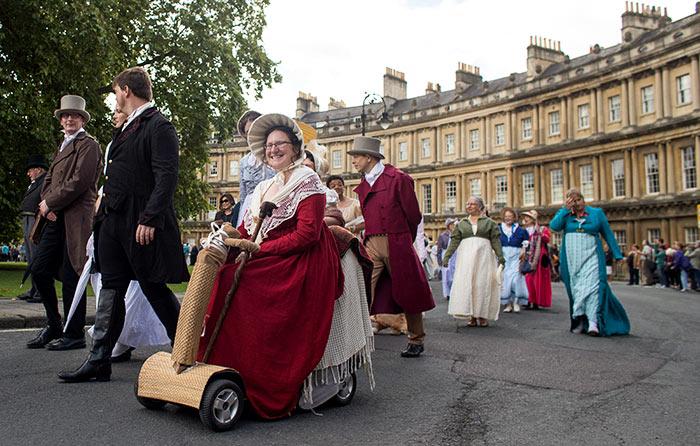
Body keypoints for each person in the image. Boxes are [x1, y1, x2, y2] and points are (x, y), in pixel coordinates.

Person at [196, 113, 342, 419]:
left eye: (281, 144)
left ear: (295, 147)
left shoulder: (308, 180)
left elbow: (307, 234)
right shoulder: (266, 187)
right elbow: (251, 231)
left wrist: (260, 250)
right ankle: (220, 366)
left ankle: (261, 379)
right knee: (223, 276)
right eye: (270, 145)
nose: (274, 149)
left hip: (303, 259)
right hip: (270, 252)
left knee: (246, 285)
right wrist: (228, 242)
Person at [58, 67, 189, 382]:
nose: (115, 97)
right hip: (112, 220)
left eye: (116, 91)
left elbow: (166, 175)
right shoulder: (126, 127)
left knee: (152, 286)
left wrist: (150, 217)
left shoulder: (159, 125)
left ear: (126, 90)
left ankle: (187, 353)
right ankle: (99, 359)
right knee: (111, 288)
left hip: (138, 220)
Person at [26, 95, 102, 351]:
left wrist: (51, 203)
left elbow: (80, 181)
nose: (69, 119)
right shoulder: (63, 144)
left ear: (82, 119)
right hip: (55, 217)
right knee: (39, 268)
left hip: (76, 219)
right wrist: (47, 203)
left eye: (74, 115)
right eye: (65, 116)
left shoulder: (89, 145)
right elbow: (48, 181)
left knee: (72, 276)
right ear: (61, 119)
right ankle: (54, 324)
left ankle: (74, 333)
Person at [348, 135, 434, 358]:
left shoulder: (398, 178)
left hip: (398, 241)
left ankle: (416, 339)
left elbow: (413, 215)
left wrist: (404, 239)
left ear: (368, 157)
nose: (353, 161)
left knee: (409, 292)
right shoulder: (365, 183)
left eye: (356, 156)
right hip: (371, 243)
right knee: (363, 289)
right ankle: (354, 342)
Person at [549, 188, 629, 336]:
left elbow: (608, 234)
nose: (576, 203)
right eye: (572, 201)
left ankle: (593, 323)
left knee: (592, 288)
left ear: (584, 200)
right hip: (572, 262)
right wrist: (564, 210)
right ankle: (579, 320)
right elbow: (554, 226)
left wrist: (618, 254)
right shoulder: (566, 215)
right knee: (576, 290)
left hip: (591, 257)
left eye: (578, 199)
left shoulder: (596, 213)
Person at [443, 196, 503, 327]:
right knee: (468, 285)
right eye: (467, 204)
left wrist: (501, 257)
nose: (469, 206)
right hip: (466, 259)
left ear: (480, 207)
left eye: (473, 204)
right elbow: (454, 242)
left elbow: (495, 241)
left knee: (482, 285)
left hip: (484, 258)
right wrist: (447, 256)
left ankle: (481, 315)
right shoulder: (461, 224)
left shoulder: (490, 223)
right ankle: (471, 316)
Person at [17, 154, 48, 303]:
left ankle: (40, 292)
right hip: (28, 219)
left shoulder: (45, 182)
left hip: (36, 221)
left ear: (39, 169)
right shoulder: (36, 183)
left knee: (36, 258)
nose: (28, 173)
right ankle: (34, 289)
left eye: (31, 170)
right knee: (30, 258)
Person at [235, 110, 275, 227]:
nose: (251, 135)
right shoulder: (244, 162)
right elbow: (243, 195)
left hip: (272, 206)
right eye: (247, 132)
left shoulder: (275, 154)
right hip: (250, 207)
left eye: (254, 129)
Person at [498, 208, 528, 313]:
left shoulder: (520, 230)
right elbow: (496, 242)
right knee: (505, 281)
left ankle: (516, 302)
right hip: (505, 257)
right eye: (506, 216)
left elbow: (525, 242)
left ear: (514, 217)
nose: (508, 218)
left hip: (516, 257)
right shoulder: (499, 228)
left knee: (516, 281)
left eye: (510, 216)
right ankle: (508, 304)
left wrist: (523, 250)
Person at [521, 210, 552, 310]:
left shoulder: (542, 229)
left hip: (539, 256)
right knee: (527, 279)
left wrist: (540, 234)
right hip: (527, 256)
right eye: (525, 217)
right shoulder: (524, 230)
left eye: (529, 217)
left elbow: (547, 239)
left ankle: (536, 301)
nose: (526, 219)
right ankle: (528, 300)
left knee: (537, 280)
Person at [438, 218, 457, 300]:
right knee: (446, 276)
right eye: (451, 224)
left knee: (454, 274)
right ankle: (447, 293)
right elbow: (439, 249)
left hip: (455, 255)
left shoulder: (456, 234)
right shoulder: (442, 236)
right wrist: (439, 260)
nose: (453, 226)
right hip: (445, 255)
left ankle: (454, 292)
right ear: (448, 226)